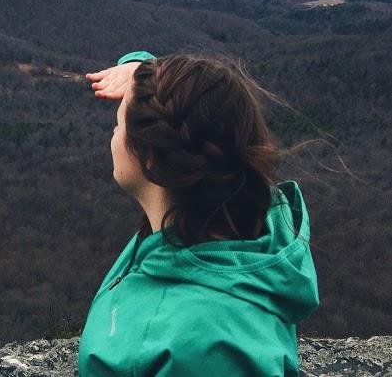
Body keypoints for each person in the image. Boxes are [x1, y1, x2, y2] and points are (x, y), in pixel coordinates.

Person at [77, 50, 320, 377]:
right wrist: (142, 69)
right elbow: (203, 108)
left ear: (150, 158)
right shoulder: (235, 216)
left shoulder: (201, 350)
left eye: (118, 125)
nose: (113, 135)